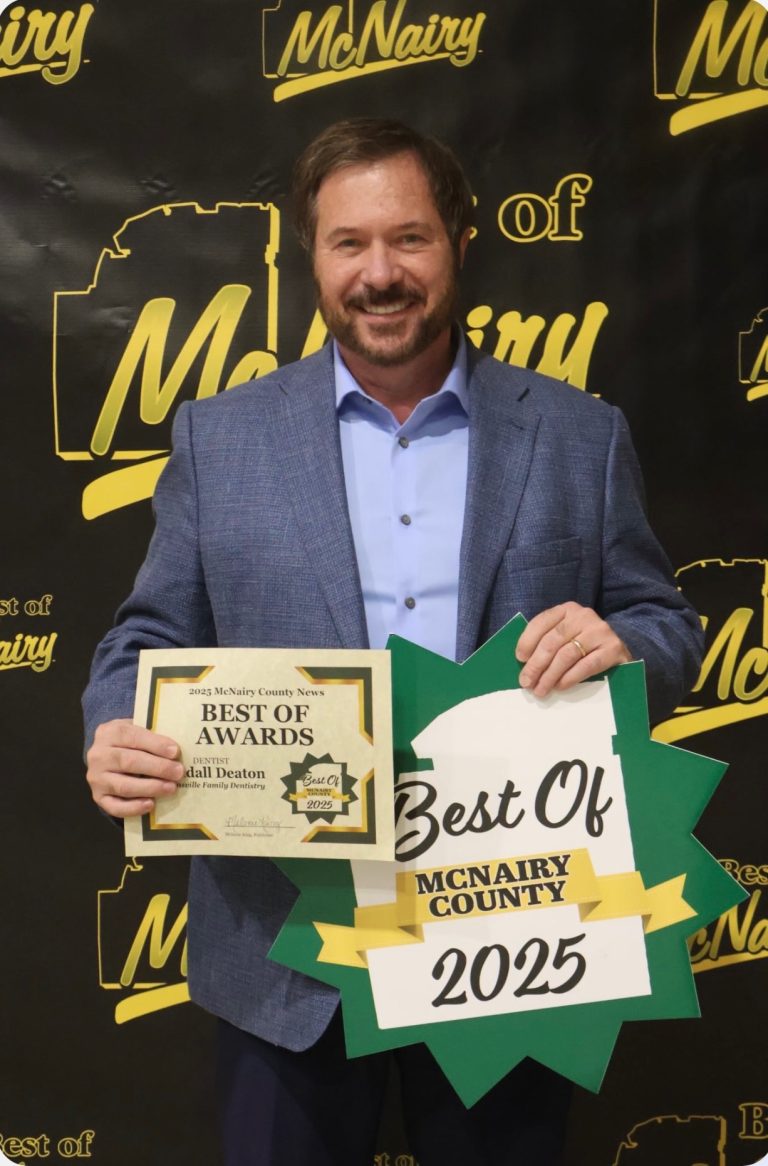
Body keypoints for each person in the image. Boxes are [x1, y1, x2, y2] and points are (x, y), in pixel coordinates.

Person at [84, 118, 703, 1165]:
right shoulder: (218, 438)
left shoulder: (577, 434)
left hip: (509, 947)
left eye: (409, 239)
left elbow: (667, 627)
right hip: (287, 964)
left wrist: (625, 645)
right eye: (349, 243)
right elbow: (143, 638)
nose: (380, 273)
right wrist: (114, 727)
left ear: (460, 240)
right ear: (309, 254)